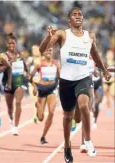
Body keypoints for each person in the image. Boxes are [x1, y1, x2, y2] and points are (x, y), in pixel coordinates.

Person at [39, 7, 111, 163]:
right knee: (68, 117)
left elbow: (95, 55)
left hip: (84, 77)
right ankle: (67, 146)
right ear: (69, 19)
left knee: (85, 105)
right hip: (66, 80)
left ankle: (88, 140)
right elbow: (42, 50)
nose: (78, 16)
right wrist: (48, 37)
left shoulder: (89, 36)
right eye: (74, 14)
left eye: (80, 14)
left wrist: (104, 70)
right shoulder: (62, 34)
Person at [30, 47, 60, 144]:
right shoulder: (39, 64)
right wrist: (34, 86)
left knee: (51, 112)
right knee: (40, 118)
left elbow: (60, 78)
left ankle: (43, 136)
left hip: (52, 89)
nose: (48, 52)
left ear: (53, 52)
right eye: (47, 50)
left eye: (50, 50)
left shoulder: (56, 64)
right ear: (43, 52)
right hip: (42, 89)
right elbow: (30, 77)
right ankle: (37, 104)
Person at [1, 33, 29, 135]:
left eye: (13, 43)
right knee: (10, 107)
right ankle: (11, 120)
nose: (11, 45)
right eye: (9, 44)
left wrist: (27, 75)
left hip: (19, 82)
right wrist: (8, 64)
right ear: (6, 44)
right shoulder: (3, 56)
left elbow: (26, 69)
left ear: (16, 43)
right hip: (7, 83)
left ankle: (16, 126)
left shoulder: (21, 55)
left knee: (18, 102)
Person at [26, 45, 41, 123]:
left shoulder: (42, 59)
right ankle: (35, 115)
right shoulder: (30, 59)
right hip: (32, 83)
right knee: (34, 100)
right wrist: (26, 74)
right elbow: (25, 69)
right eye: (33, 50)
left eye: (36, 49)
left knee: (40, 100)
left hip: (41, 83)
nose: (35, 51)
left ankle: (39, 114)